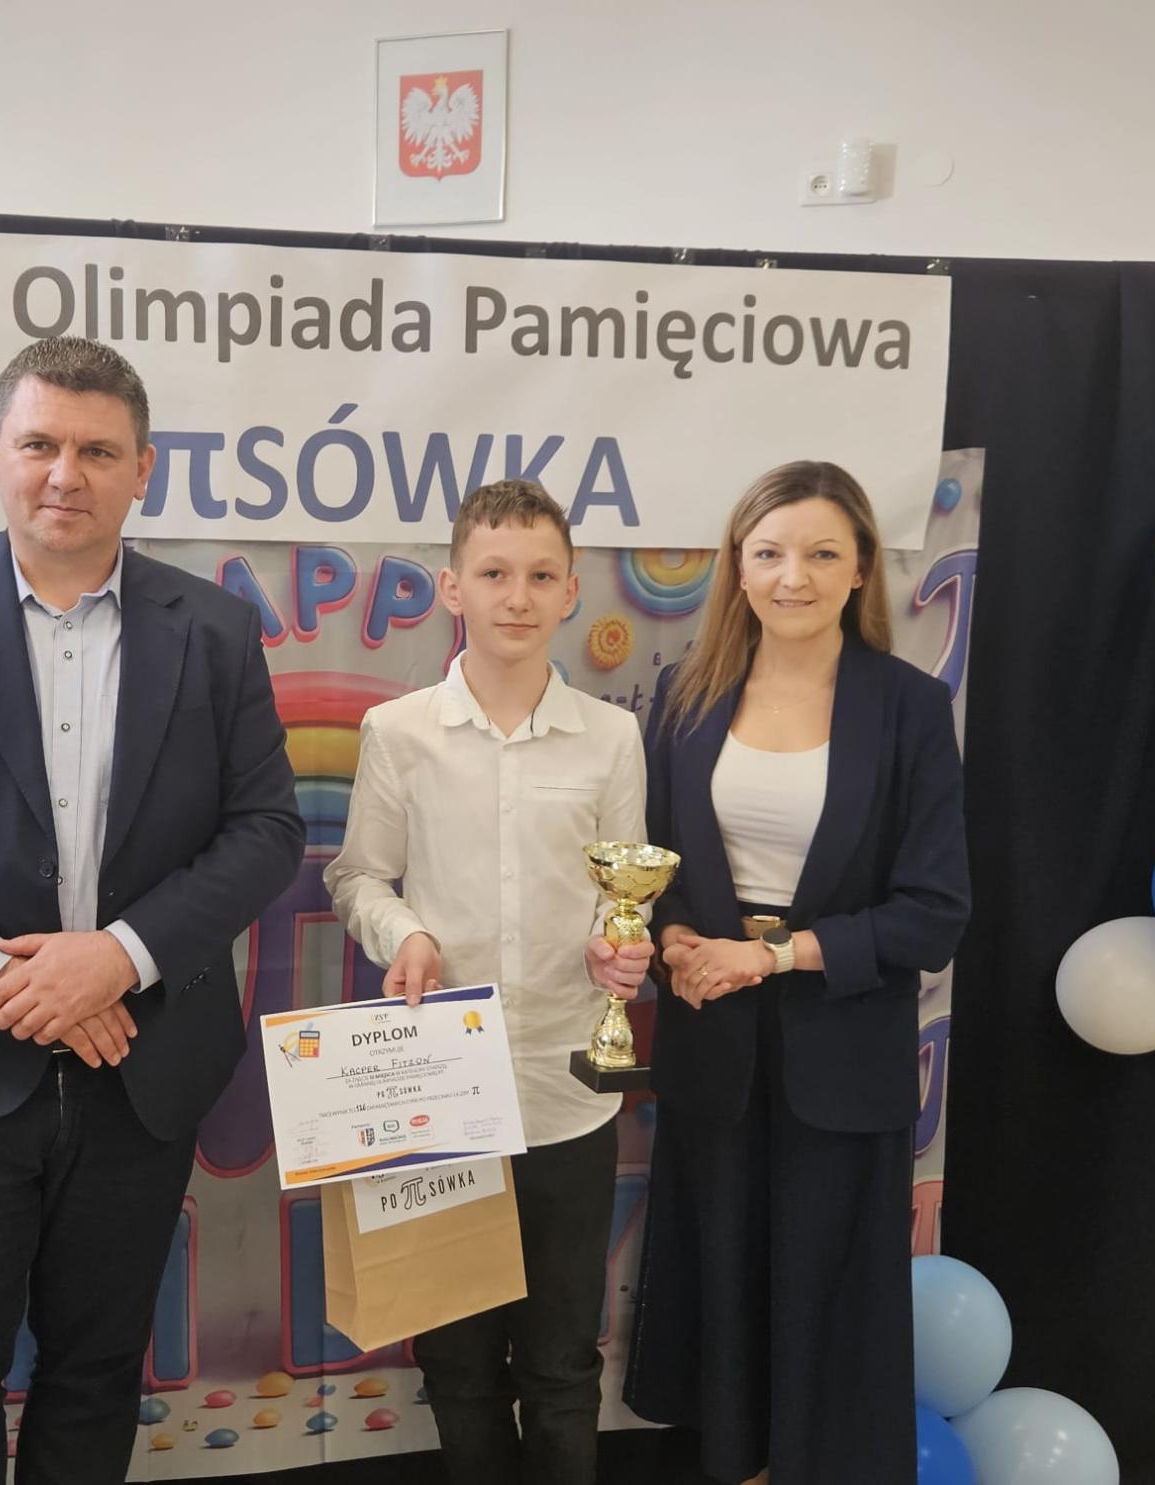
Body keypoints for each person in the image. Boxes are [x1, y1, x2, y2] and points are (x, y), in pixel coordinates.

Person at [0, 337, 304, 1484]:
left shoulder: (214, 631)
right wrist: (4, 978)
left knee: (96, 1375)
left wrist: (117, 959)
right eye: (39, 444)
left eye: (97, 451)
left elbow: (266, 832)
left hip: (142, 1077)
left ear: (144, 469)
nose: (65, 474)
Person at [621, 460, 970, 1484]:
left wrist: (773, 956)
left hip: (843, 1053)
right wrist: (675, 944)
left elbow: (934, 912)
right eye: (770, 553)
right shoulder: (686, 699)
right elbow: (657, 868)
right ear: (738, 566)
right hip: (715, 1053)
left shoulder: (909, 708)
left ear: (861, 568)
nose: (793, 577)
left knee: (828, 1309)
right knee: (725, 1300)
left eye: (822, 554)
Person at [325, 479, 655, 1485]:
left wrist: (618, 949)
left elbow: (624, 890)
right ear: (452, 588)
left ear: (572, 592)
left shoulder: (611, 738)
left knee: (560, 1362)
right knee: (458, 1364)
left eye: (542, 576)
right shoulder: (399, 730)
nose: (518, 596)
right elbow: (357, 877)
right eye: (495, 573)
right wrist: (408, 932)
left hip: (566, 1094)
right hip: (439, 1095)